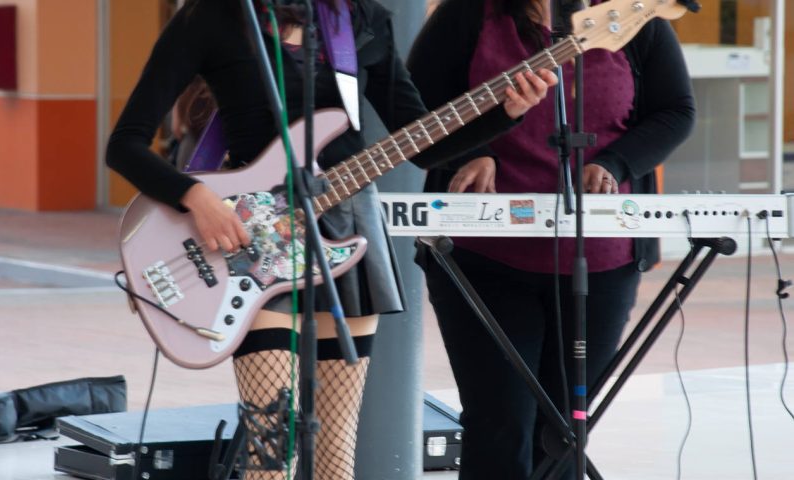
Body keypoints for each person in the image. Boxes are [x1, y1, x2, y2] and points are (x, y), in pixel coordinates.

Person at [105, 1, 556, 479]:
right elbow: (125, 144)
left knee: (335, 453)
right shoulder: (215, 16)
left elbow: (422, 144)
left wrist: (504, 114)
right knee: (271, 450)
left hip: (347, 234)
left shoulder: (361, 19)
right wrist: (196, 198)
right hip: (254, 245)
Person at [407, 0, 695, 478]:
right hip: (481, 257)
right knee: (498, 424)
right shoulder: (469, 13)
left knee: (563, 433)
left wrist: (615, 163)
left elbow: (675, 110)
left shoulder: (631, 18)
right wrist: (471, 154)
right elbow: (418, 107)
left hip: (600, 257)